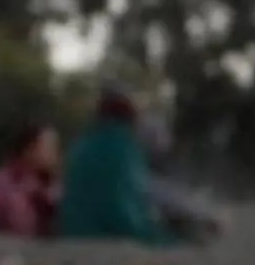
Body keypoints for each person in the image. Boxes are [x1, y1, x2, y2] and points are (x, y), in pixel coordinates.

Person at [55, 90, 177, 244]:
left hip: (72, 234)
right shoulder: (125, 148)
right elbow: (126, 213)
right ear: (131, 117)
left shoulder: (80, 145)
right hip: (108, 238)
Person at [1, 122, 62, 237]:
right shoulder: (12, 184)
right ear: (29, 149)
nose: (56, 155)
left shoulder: (48, 182)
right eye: (50, 147)